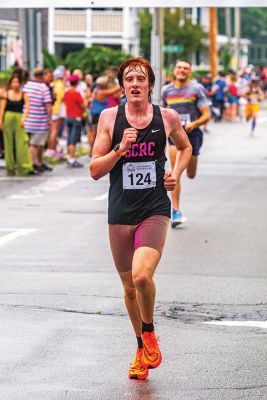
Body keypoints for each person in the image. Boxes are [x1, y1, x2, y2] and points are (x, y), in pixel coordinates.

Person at [90, 57, 192, 380]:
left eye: (141, 79)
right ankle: (140, 348)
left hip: (154, 208)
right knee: (129, 288)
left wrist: (175, 173)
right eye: (129, 79)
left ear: (150, 84)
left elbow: (185, 147)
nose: (135, 84)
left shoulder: (168, 117)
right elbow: (94, 170)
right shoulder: (109, 118)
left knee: (142, 277)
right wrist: (120, 149)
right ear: (122, 86)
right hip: (120, 211)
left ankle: (148, 332)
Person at [161, 59, 210, 227]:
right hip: (174, 136)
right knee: (176, 173)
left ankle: (193, 158)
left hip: (192, 134)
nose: (182, 70)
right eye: (179, 67)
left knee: (191, 173)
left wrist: (194, 124)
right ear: (174, 70)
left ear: (189, 72)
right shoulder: (166, 90)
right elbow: (161, 112)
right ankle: (175, 211)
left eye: (185, 68)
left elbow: (206, 115)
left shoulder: (196, 89)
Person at [0, 75, 33, 176]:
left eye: (17, 82)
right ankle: (10, 166)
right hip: (8, 117)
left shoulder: (23, 94)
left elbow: (28, 107)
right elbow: (2, 108)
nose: (15, 84)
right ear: (10, 84)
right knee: (8, 143)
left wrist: (24, 118)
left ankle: (24, 166)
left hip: (19, 118)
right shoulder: (6, 94)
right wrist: (0, 121)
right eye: (13, 82)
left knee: (22, 142)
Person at [23, 67, 52, 174]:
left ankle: (34, 163)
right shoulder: (43, 87)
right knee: (35, 145)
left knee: (29, 144)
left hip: (27, 120)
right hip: (39, 121)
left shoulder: (27, 86)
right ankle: (32, 165)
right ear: (42, 76)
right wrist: (50, 120)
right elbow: (48, 106)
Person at [63, 74, 86, 168]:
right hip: (76, 117)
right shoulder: (76, 93)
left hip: (68, 117)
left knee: (69, 138)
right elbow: (83, 105)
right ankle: (72, 159)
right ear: (77, 83)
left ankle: (70, 158)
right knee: (73, 139)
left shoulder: (66, 93)